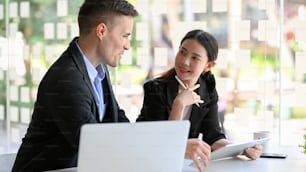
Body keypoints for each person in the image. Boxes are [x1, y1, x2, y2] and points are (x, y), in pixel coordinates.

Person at [12, 0, 138, 171]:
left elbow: (115, 118)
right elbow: (93, 145)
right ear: (101, 31)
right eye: (125, 36)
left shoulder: (98, 69)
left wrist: (144, 142)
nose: (127, 45)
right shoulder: (66, 79)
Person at [136, 29, 263, 172]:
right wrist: (179, 104)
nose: (185, 61)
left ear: (208, 66)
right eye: (182, 52)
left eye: (195, 58)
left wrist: (241, 149)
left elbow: (213, 136)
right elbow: (166, 142)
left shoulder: (207, 90)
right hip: (152, 164)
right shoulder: (155, 89)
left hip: (183, 167)